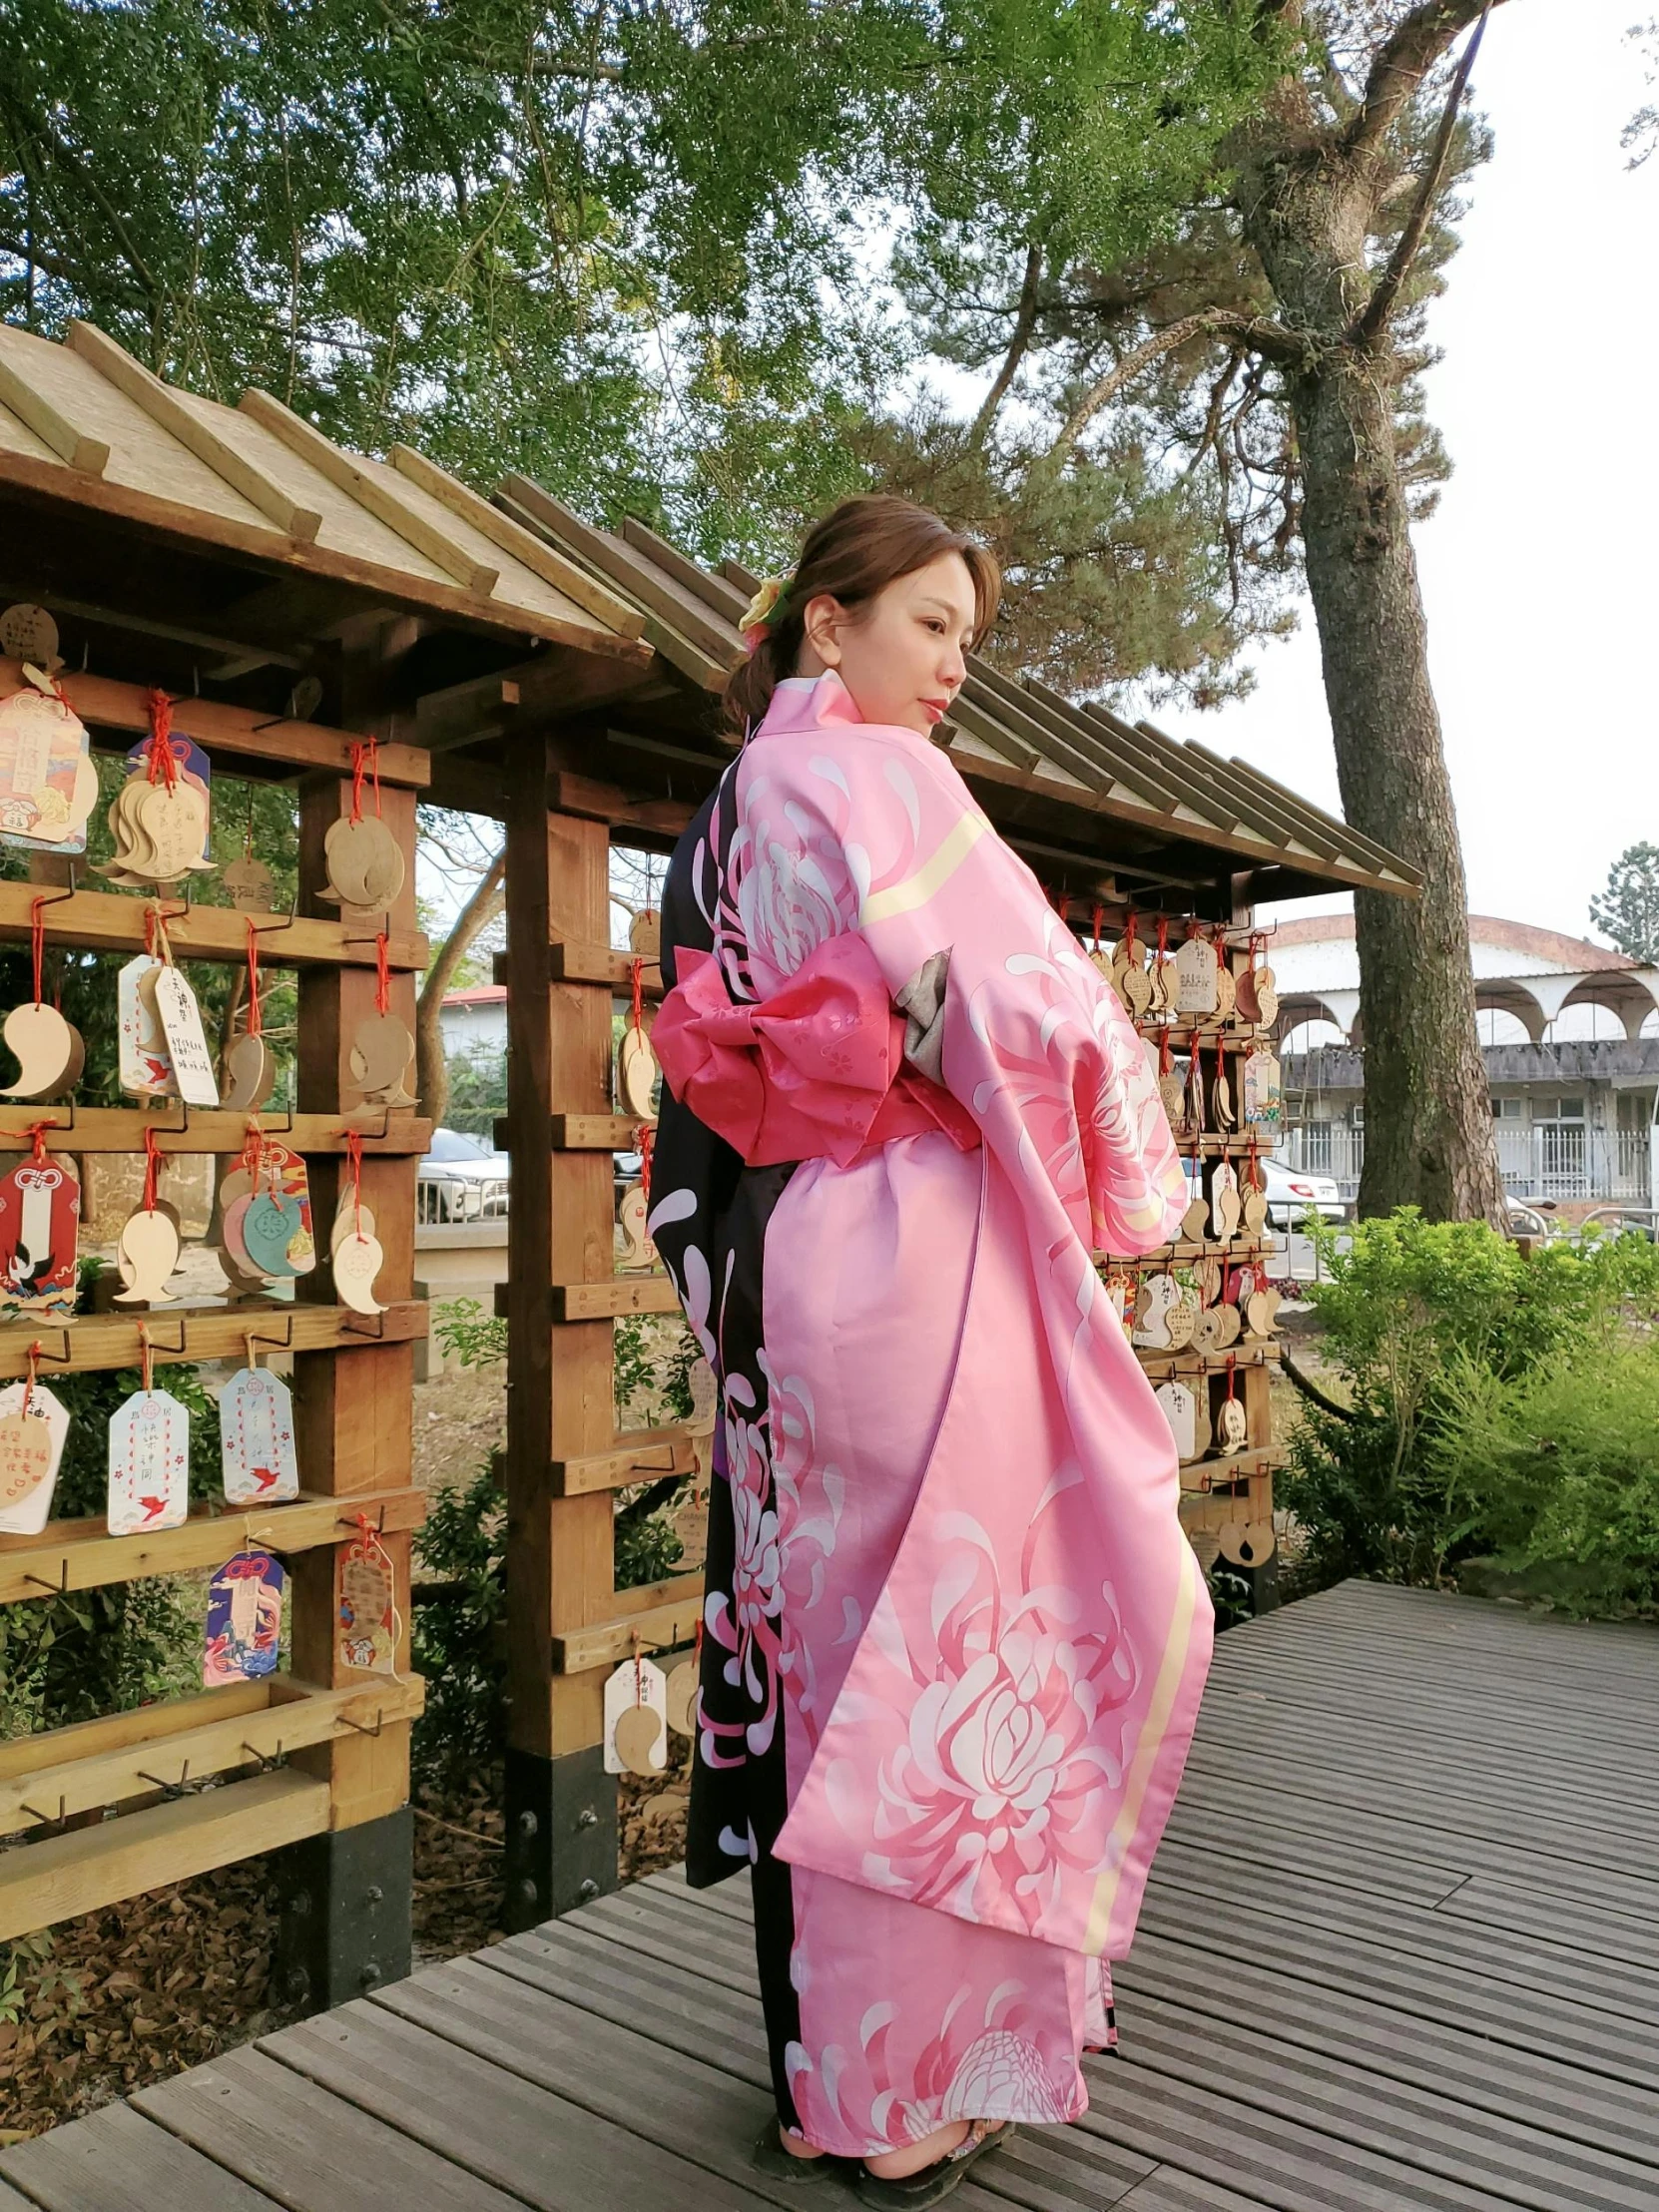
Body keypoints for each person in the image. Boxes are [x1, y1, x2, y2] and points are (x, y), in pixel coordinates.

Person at [649, 494, 1212, 2208]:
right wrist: (1126, 1154)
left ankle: (867, 2062)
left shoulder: (742, 797)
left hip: (810, 1246)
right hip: (917, 1237)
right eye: (928, 624)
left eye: (966, 634)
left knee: (851, 1665)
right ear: (828, 623)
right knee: (960, 1654)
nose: (954, 664)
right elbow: (1021, 1007)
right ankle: (907, 2089)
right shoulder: (873, 778)